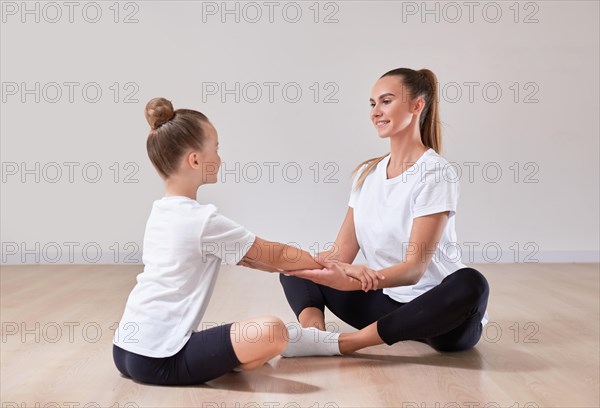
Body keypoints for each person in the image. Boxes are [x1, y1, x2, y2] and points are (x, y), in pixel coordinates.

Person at [112, 97, 326, 385]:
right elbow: (273, 255)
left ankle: (230, 359)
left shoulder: (162, 212)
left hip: (125, 348)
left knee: (257, 341)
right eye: (216, 149)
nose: (220, 158)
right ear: (195, 159)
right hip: (160, 358)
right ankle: (235, 360)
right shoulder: (201, 220)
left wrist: (296, 268)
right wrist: (328, 265)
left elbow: (252, 259)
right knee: (274, 331)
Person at [278, 68, 490, 357]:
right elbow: (339, 256)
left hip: (440, 316)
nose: (375, 111)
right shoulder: (368, 174)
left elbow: (414, 269)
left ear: (417, 106)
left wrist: (364, 277)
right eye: (372, 103)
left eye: (386, 101)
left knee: (472, 282)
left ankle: (345, 344)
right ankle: (313, 336)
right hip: (387, 306)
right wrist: (287, 259)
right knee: (297, 266)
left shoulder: (436, 172)